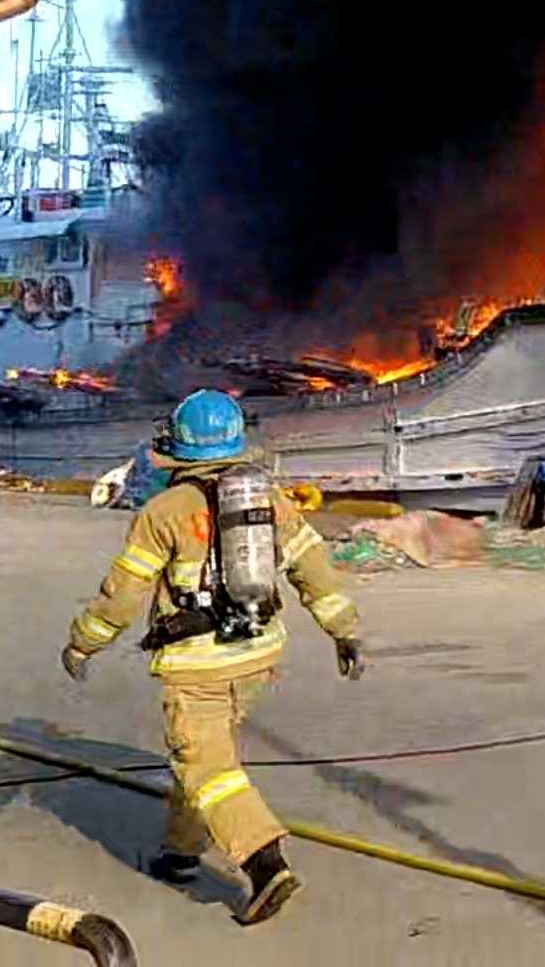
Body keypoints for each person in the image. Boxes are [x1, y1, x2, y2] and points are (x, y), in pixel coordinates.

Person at [60, 389, 366, 925]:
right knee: (201, 754)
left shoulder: (164, 512)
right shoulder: (270, 499)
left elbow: (123, 594)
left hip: (198, 664)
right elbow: (313, 568)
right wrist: (345, 632)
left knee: (208, 766)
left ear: (179, 446)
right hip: (258, 655)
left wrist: (84, 642)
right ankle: (180, 852)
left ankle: (266, 863)